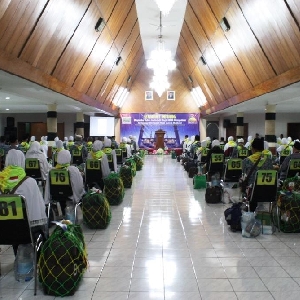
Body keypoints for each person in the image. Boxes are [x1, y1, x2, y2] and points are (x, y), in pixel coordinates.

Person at [0, 149, 48, 255]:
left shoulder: (1, 181)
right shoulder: (30, 182)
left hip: (3, 232)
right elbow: (39, 209)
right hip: (26, 233)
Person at [44, 150, 85, 215]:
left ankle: (61, 212)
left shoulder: (52, 171)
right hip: (70, 195)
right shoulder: (73, 170)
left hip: (55, 195)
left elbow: (47, 187)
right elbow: (79, 186)